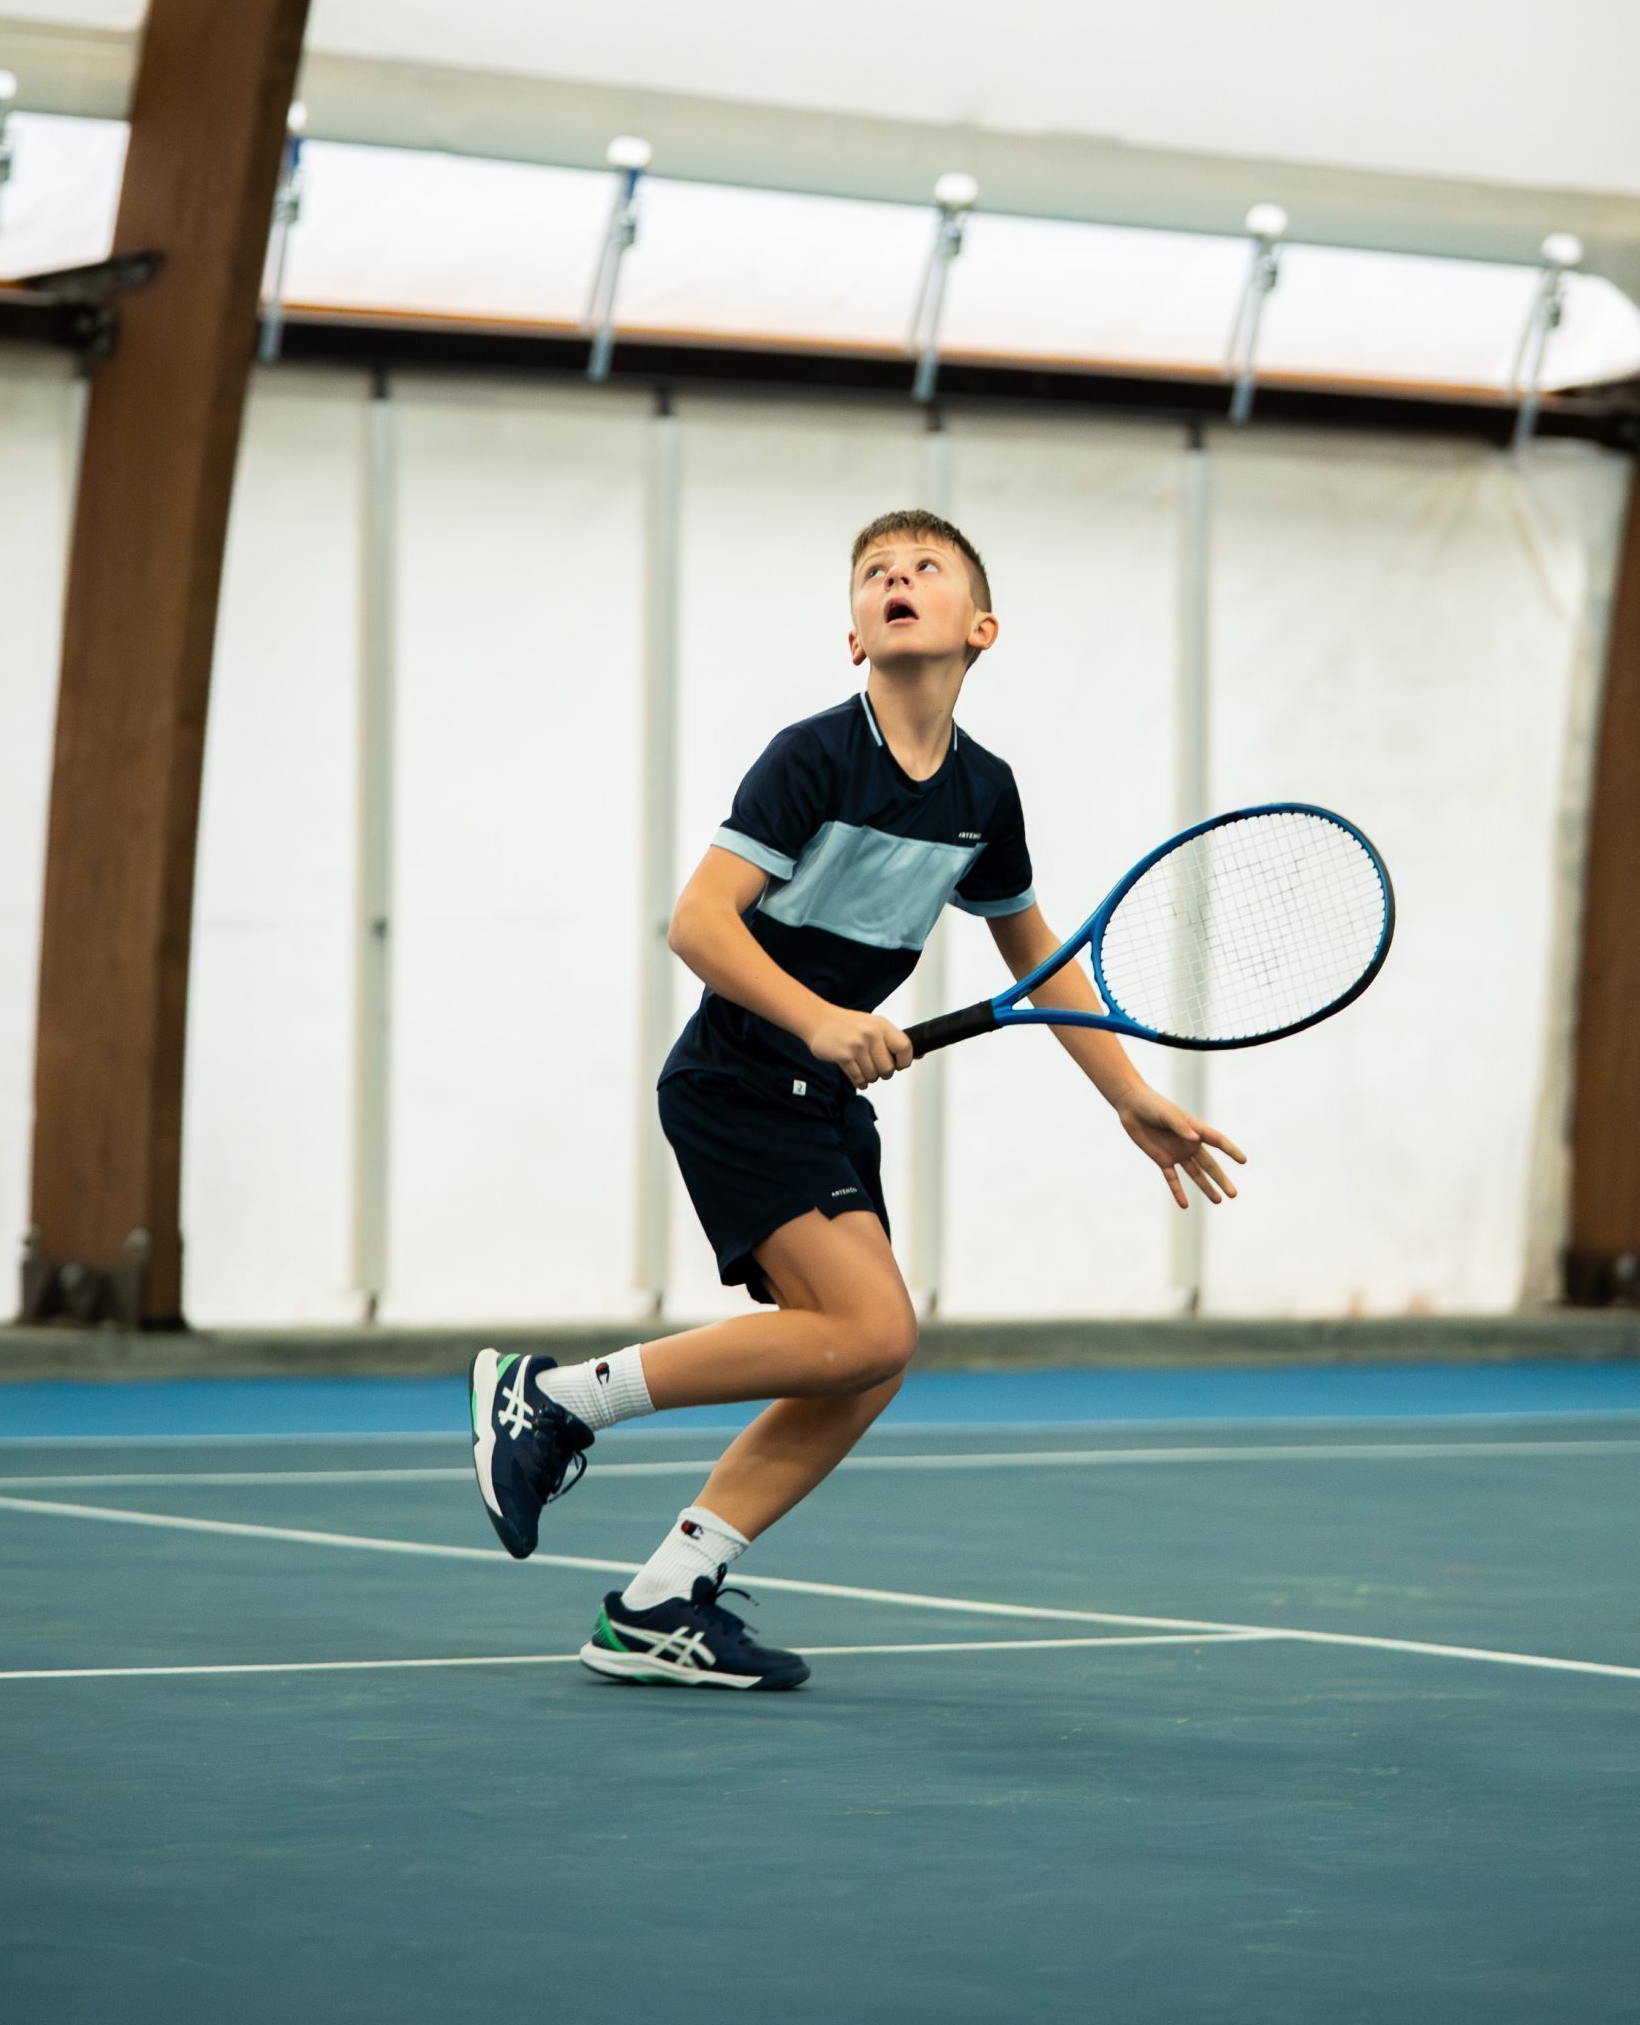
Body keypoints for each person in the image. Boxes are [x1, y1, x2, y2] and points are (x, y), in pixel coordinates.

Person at [469, 508, 1244, 1690]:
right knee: (876, 1330)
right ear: (853, 637)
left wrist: (1126, 1096)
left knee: (864, 1360)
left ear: (979, 628)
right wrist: (821, 1018)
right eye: (875, 571)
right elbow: (698, 922)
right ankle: (557, 1399)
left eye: (924, 567)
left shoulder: (984, 792)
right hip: (736, 1080)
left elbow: (1038, 960)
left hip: (819, 1100)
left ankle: (661, 1600)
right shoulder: (812, 758)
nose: (897, 578)